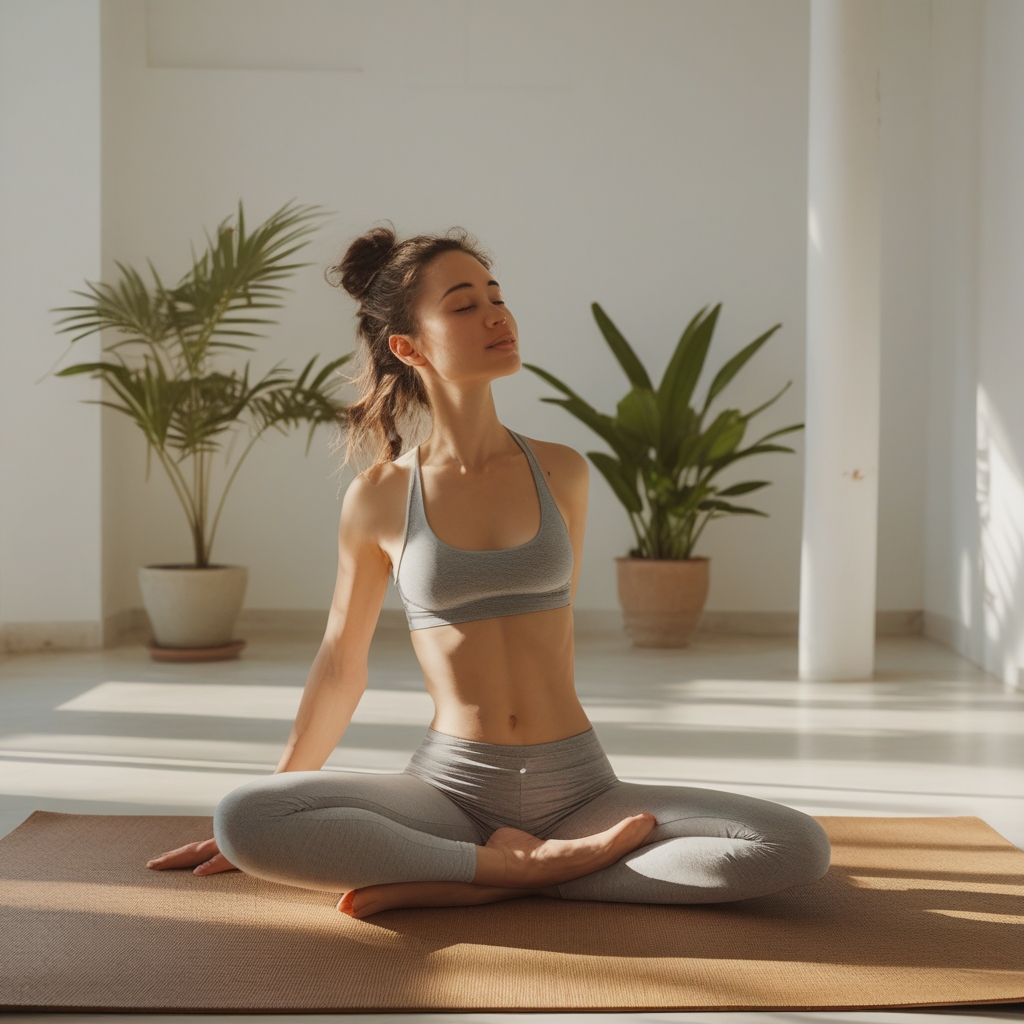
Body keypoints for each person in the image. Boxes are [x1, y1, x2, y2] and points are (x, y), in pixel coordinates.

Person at [148, 226, 831, 919]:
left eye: (496, 296)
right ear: (408, 347)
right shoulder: (381, 496)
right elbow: (339, 662)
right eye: (464, 304)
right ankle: (515, 866)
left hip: (581, 788)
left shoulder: (561, 471)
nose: (496, 315)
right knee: (245, 818)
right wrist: (282, 793)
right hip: (451, 792)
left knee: (793, 845)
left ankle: (494, 878)